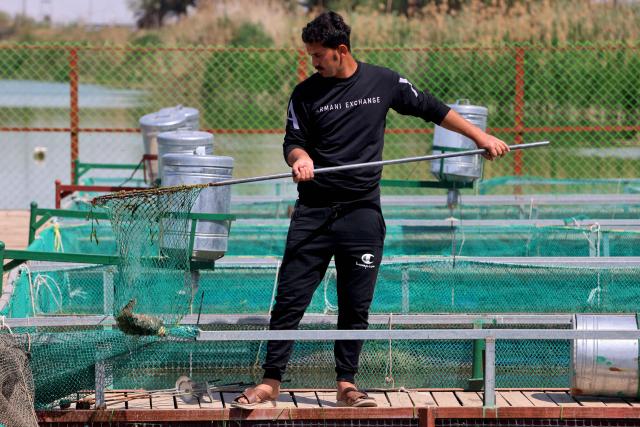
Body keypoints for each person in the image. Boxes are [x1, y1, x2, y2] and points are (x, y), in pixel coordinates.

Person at [232, 10, 509, 409]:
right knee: (291, 297)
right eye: (310, 55)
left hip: (361, 213)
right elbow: (291, 141)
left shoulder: (384, 81)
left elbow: (433, 109)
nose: (313, 62)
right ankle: (271, 380)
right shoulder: (306, 93)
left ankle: (347, 383)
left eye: (318, 55)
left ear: (340, 50)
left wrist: (481, 137)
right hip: (313, 211)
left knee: (355, 302)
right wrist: (300, 158)